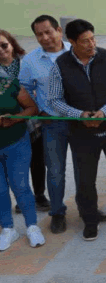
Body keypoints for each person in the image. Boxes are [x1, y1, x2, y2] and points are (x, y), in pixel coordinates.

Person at [49, 19, 106, 240]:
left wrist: (104, 112)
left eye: (93, 39)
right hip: (82, 133)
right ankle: (90, 220)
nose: (91, 44)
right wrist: (80, 115)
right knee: (85, 180)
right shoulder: (60, 65)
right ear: (71, 42)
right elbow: (55, 99)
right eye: (84, 41)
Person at [19, 16, 77, 233]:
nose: (44, 37)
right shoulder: (31, 60)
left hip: (80, 122)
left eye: (48, 32)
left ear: (59, 30)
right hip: (52, 123)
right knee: (55, 170)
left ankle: (87, 209)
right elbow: (23, 89)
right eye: (39, 34)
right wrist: (39, 110)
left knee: (84, 170)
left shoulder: (76, 51)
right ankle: (58, 212)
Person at [0, 32, 45, 251]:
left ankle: (32, 227)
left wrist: (14, 119)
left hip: (16, 140)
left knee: (20, 186)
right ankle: (8, 229)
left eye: (3, 45)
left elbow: (32, 108)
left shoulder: (9, 83)